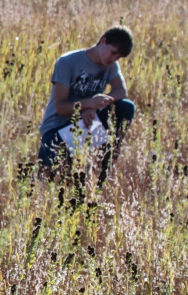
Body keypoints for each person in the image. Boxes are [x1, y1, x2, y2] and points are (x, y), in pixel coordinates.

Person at [38, 25, 136, 183]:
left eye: (118, 57)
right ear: (103, 41)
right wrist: (89, 103)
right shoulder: (68, 61)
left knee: (126, 107)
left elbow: (121, 91)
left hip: (87, 123)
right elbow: (61, 108)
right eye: (113, 52)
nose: (113, 59)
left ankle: (104, 167)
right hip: (57, 128)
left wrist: (95, 107)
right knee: (50, 180)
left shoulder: (110, 65)